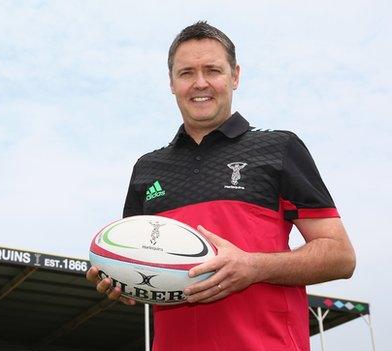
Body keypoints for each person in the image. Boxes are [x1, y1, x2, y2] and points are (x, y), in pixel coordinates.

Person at [85, 21, 355, 351]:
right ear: (171, 82)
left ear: (235, 76)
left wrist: (254, 267)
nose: (200, 83)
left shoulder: (279, 148)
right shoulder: (147, 168)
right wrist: (123, 281)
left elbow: (341, 257)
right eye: (186, 73)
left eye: (212, 70)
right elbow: (139, 261)